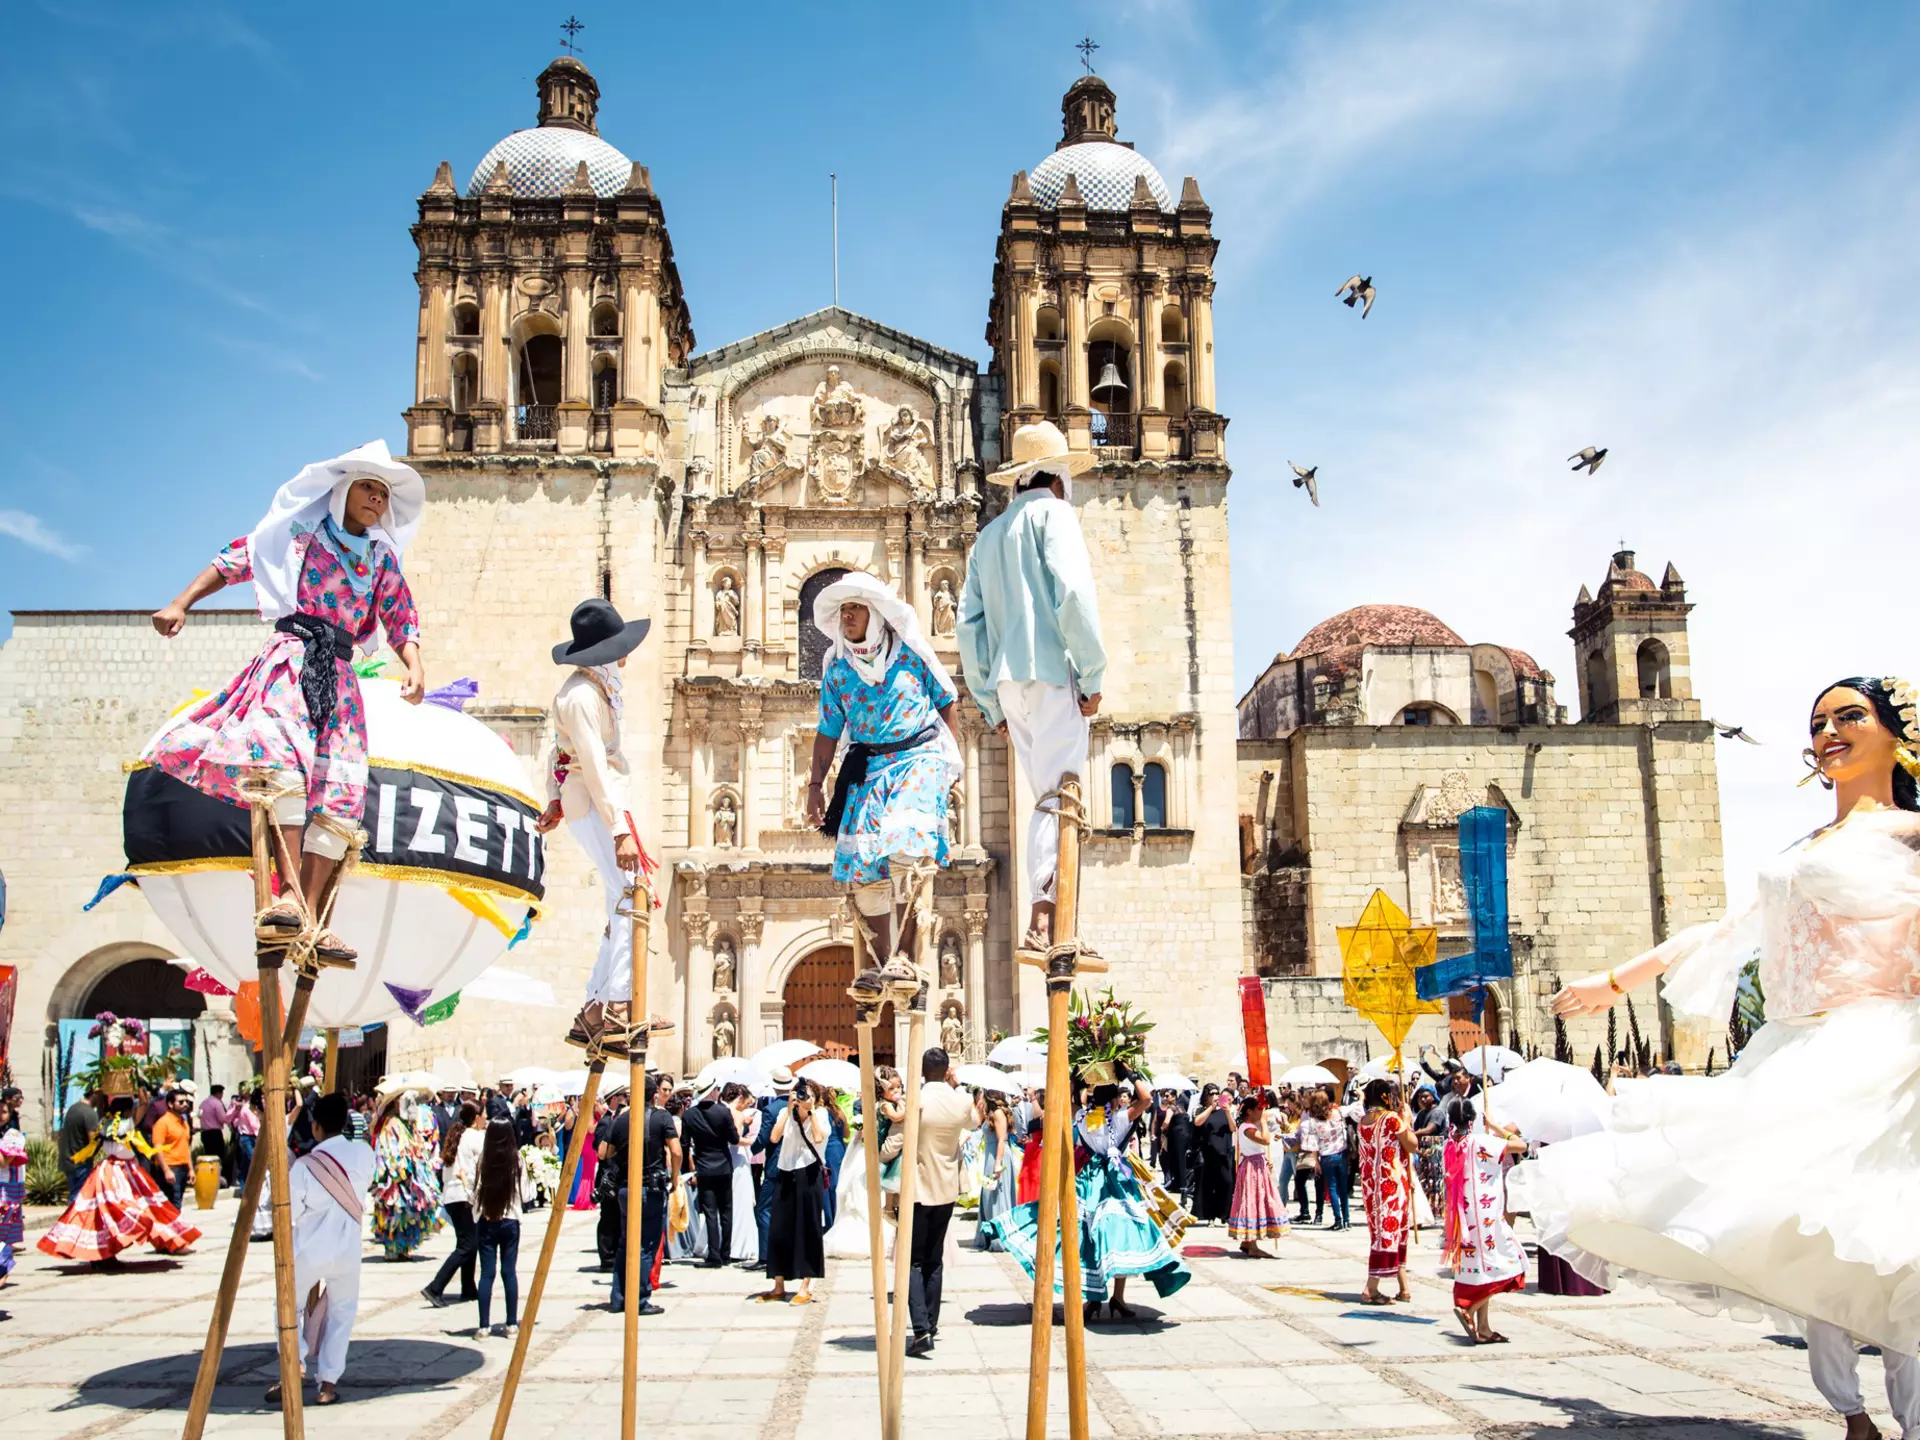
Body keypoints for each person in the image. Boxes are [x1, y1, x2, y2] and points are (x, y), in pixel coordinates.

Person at [1518, 675, 1920, 1440]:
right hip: (1798, 1052)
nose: (1829, 732)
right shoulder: (1806, 848)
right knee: (1807, 1231)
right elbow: (1724, 932)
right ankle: (1852, 1414)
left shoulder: (1912, 835)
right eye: (1819, 722)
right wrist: (1612, 981)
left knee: (1892, 1240)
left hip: (1883, 1048)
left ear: (1897, 732)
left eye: (1849, 716)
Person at [147, 442, 427, 963]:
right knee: (285, 770)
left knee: (338, 788)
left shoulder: (382, 558)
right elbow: (238, 559)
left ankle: (313, 916)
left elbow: (399, 612)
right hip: (293, 659)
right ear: (344, 490)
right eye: (369, 488)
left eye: (385, 494)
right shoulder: (297, 538)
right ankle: (290, 897)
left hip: (341, 676)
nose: (377, 499)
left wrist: (413, 663)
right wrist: (180, 602)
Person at [955, 420, 1105, 956]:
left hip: (1007, 684)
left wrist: (988, 700)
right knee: (1062, 792)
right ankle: (1049, 921)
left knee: (1043, 793)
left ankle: (1053, 918)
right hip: (1051, 671)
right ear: (1058, 477)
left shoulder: (988, 538)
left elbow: (967, 627)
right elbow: (1073, 597)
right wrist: (1092, 675)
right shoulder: (1055, 515)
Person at [801, 572, 964, 997]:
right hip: (868, 767)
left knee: (904, 849)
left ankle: (907, 958)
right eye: (842, 612)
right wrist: (816, 784)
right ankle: (880, 962)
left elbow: (947, 700)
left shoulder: (911, 654)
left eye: (854, 609)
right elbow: (828, 729)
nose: (846, 617)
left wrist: (949, 760)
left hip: (918, 756)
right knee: (865, 868)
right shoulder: (838, 670)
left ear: (875, 615)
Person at [537, 598, 667, 1051]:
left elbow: (556, 751)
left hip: (596, 800)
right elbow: (588, 761)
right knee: (634, 898)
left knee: (624, 899)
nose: (627, 654)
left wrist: (554, 799)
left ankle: (595, 1008)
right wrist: (619, 830)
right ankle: (616, 1005)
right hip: (599, 803)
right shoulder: (581, 696)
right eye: (620, 646)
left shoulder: (589, 690)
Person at [265, 1092, 373, 1408]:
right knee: (342, 1314)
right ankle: (327, 1383)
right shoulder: (364, 1153)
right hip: (349, 1250)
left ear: (315, 1127)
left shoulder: (304, 1167)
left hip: (311, 1249)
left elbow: (291, 1214)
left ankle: (295, 1363)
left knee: (285, 1307)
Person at [39, 1095, 200, 1263]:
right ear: (127, 1110)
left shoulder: (105, 1123)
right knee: (129, 1208)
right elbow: (144, 1103)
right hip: (120, 1171)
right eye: (132, 1109)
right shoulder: (126, 1123)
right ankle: (110, 1252)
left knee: (104, 1212)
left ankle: (107, 1254)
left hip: (108, 1170)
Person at [906, 1047, 985, 1356]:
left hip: (918, 1185)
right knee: (934, 1258)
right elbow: (975, 1122)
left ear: (922, 1070)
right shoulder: (961, 1100)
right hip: (948, 1187)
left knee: (913, 1259)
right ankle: (932, 1325)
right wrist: (957, 1086)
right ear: (947, 1070)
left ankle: (921, 1329)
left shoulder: (916, 1098)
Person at [1439, 1096, 1526, 1343]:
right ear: (1473, 1119)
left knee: (1480, 1269)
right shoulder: (1481, 1141)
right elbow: (1521, 1146)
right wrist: (1497, 1127)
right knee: (1510, 1260)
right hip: (1487, 1217)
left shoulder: (1450, 1144)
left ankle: (1484, 1328)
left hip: (1463, 1219)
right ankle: (1470, 1307)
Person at [610, 1074, 679, 1316]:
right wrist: (675, 1176)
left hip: (625, 1188)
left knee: (624, 1243)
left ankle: (618, 1297)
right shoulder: (661, 1117)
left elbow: (603, 1151)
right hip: (650, 1188)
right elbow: (676, 1150)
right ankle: (639, 1298)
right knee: (646, 1245)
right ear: (654, 1094)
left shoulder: (622, 1119)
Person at [760, 1078, 829, 1305]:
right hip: (786, 1170)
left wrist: (810, 1113)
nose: (801, 1098)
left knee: (808, 1227)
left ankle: (806, 1285)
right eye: (798, 1093)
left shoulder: (821, 1115)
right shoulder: (785, 1114)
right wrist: (789, 1110)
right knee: (779, 1228)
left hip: (809, 1173)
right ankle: (778, 1284)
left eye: (806, 1094)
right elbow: (774, 1137)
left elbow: (819, 1137)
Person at [1355, 1079, 1417, 1304]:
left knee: (1390, 1233)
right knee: (1389, 1235)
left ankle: (1404, 1287)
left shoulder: (1362, 1121)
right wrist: (1407, 1121)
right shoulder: (1391, 1119)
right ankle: (1371, 1288)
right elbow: (1412, 1145)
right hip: (1391, 1184)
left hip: (1371, 1187)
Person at [421, 1101, 482, 1308]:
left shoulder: (457, 1135)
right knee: (467, 1245)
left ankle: (468, 1287)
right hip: (464, 1195)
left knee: (469, 1240)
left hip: (452, 1195)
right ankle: (435, 1287)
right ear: (476, 1118)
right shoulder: (474, 1137)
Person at [370, 1086, 442, 1260]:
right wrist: (399, 1167)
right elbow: (388, 1149)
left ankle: (404, 1247)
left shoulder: (408, 1125)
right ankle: (392, 1248)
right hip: (396, 1179)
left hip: (410, 1178)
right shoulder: (391, 1123)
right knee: (395, 1212)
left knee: (408, 1212)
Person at [472, 1117, 527, 1337]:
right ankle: (511, 1324)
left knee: (487, 1273)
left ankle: (484, 1326)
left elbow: (475, 1192)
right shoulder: (517, 1160)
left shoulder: (483, 1159)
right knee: (509, 1272)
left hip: (487, 1220)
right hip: (511, 1220)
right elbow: (527, 1192)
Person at [681, 1083, 740, 1266]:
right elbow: (734, 1139)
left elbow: (684, 1142)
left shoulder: (690, 1114)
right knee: (726, 1211)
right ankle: (726, 1253)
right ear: (713, 1091)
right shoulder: (723, 1112)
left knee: (710, 1212)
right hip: (723, 1166)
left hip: (704, 1167)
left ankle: (714, 1254)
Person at [1227, 1093, 1287, 1258]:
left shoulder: (1247, 1126)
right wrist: (1263, 1123)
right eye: (1259, 1109)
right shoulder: (1247, 1128)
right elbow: (1265, 1140)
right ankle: (1252, 1243)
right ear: (1250, 1111)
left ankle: (1248, 1242)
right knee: (1253, 1201)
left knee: (1258, 1199)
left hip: (1256, 1165)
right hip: (1252, 1168)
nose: (1262, 1111)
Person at [751, 1068, 793, 1266]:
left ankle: (766, 1256)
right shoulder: (800, 1107)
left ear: (775, 1086)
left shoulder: (771, 1109)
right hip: (797, 1164)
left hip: (776, 1165)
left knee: (764, 1209)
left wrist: (753, 1147)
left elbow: (765, 1138)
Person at [974, 1091, 1019, 1252]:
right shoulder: (990, 1113)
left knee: (995, 1196)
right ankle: (988, 1233)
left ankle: (998, 1236)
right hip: (990, 1154)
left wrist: (998, 1163)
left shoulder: (999, 1113)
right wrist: (980, 1110)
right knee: (988, 1196)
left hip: (997, 1155)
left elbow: (1002, 1139)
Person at [1300, 1092, 1351, 1230]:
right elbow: (1353, 1109)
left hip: (1327, 1156)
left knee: (1332, 1188)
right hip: (1342, 1153)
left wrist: (1316, 1162)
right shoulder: (1337, 1113)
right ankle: (1347, 1220)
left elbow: (1313, 1144)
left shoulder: (1313, 1121)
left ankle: (1338, 1220)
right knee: (1343, 1188)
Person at [725, 1084, 762, 1263]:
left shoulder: (722, 1110)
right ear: (740, 1099)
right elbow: (736, 1140)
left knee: (728, 1202)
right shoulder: (738, 1114)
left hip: (726, 1159)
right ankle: (739, 1244)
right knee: (741, 1202)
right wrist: (753, 1141)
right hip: (738, 1158)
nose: (747, 1108)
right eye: (747, 1104)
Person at [1190, 1084, 1235, 1224]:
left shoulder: (1224, 1111)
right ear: (1206, 1096)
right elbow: (1197, 1122)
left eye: (1217, 1093)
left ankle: (1224, 1214)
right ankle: (1210, 1216)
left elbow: (1233, 1128)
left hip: (1224, 1153)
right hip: (1208, 1153)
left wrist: (1227, 1111)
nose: (1215, 1096)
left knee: (1227, 1183)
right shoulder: (1201, 1110)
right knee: (1209, 1185)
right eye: (1212, 1093)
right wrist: (1211, 1108)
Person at [58, 1089, 102, 1205]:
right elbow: (93, 1141)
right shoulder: (89, 1113)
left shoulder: (74, 1108)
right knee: (78, 1198)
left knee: (75, 1194)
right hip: (80, 1163)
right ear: (94, 1094)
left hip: (68, 1159)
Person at [152, 1089, 194, 1208]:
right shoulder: (162, 1123)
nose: (185, 1104)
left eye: (186, 1101)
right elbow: (157, 1148)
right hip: (170, 1168)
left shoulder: (184, 1122)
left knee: (178, 1203)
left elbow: (186, 1147)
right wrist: (166, 1171)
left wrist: (190, 1169)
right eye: (181, 1102)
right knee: (172, 1205)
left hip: (182, 1168)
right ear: (170, 1104)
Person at [0, 1093, 26, 1284]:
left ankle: (3, 1270)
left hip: (5, 1192)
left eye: (3, 1112)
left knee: (2, 1233)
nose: (1, 1115)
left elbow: (4, 1161)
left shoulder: (13, 1136)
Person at [1158, 1090, 1195, 1210]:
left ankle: (1180, 1184)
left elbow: (1167, 1122)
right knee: (1183, 1160)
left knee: (1177, 1160)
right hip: (1185, 1135)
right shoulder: (1182, 1106)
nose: (1165, 1097)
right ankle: (1184, 1184)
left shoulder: (1171, 1108)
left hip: (1177, 1136)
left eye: (1167, 1095)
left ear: (1173, 1097)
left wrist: (1161, 1129)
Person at [229, 1089, 261, 1191]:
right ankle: (249, 1190)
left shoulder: (249, 1108)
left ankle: (244, 1188)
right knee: (254, 1162)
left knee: (245, 1164)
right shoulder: (247, 1109)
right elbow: (254, 1126)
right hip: (248, 1138)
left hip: (247, 1137)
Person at [198, 1084, 229, 1182]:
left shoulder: (203, 1103)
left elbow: (200, 1116)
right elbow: (223, 1118)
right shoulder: (217, 1103)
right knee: (217, 1156)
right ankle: (216, 1178)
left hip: (205, 1132)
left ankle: (208, 1177)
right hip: (214, 1133)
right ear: (219, 1093)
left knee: (208, 1155)